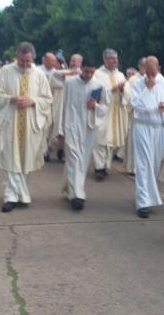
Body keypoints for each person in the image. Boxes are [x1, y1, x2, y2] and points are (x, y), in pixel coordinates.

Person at [0, 42, 53, 212]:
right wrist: (11, 99)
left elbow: (47, 99)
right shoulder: (5, 71)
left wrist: (33, 101)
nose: (25, 64)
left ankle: (23, 195)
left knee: (26, 158)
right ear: (16, 57)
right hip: (10, 122)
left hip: (30, 123)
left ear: (33, 58)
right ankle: (10, 196)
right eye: (21, 61)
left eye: (28, 61)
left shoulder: (39, 74)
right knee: (10, 158)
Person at [60, 58, 109, 211]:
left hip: (89, 128)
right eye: (86, 71)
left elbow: (106, 108)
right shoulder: (70, 83)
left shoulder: (99, 85)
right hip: (72, 126)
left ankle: (73, 191)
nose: (89, 75)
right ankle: (78, 196)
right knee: (74, 158)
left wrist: (96, 106)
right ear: (81, 68)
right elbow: (62, 105)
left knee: (83, 161)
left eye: (91, 72)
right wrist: (61, 129)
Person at [131, 56, 164, 218]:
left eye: (152, 72)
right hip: (142, 127)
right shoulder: (138, 85)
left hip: (159, 129)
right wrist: (147, 89)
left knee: (155, 164)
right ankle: (142, 203)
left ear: (158, 69)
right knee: (144, 165)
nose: (149, 76)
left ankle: (148, 197)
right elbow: (136, 105)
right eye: (147, 72)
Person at [92, 49, 128, 180]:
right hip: (102, 111)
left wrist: (124, 91)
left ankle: (106, 165)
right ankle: (98, 167)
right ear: (105, 60)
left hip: (116, 112)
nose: (115, 60)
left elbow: (127, 94)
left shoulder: (121, 75)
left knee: (111, 141)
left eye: (116, 58)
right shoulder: (97, 74)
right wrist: (111, 90)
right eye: (112, 58)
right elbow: (94, 92)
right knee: (100, 139)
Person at [123, 59, 146, 175]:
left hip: (147, 116)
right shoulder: (133, 80)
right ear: (139, 66)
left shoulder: (151, 79)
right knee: (134, 141)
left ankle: (142, 167)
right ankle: (131, 167)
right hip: (136, 114)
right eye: (144, 66)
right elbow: (129, 96)